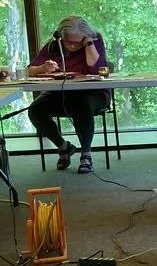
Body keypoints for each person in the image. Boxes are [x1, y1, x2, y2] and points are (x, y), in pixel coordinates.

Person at [27, 15, 109, 174]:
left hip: (93, 94)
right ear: (60, 37)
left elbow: (97, 68)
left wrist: (88, 44)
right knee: (35, 110)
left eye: (77, 43)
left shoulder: (94, 40)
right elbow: (30, 69)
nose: (72, 46)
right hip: (62, 93)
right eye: (68, 42)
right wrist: (42, 69)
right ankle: (64, 147)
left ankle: (86, 154)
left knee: (80, 105)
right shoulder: (54, 45)